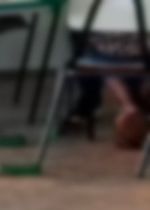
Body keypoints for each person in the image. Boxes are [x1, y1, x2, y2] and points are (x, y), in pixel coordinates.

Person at [63, 0, 149, 147]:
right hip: (142, 49)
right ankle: (130, 104)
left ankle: (127, 104)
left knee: (103, 62)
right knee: (108, 64)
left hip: (104, 48)